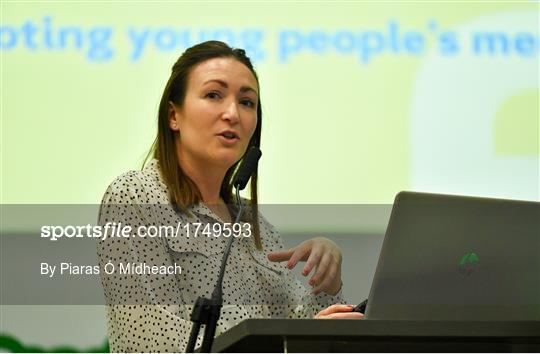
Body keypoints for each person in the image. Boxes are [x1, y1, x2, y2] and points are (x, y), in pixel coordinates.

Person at [97, 40, 362, 353]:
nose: (233, 113)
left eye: (247, 102)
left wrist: (328, 284)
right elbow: (148, 339)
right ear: (173, 115)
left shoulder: (252, 223)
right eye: (213, 95)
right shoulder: (136, 197)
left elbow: (300, 323)